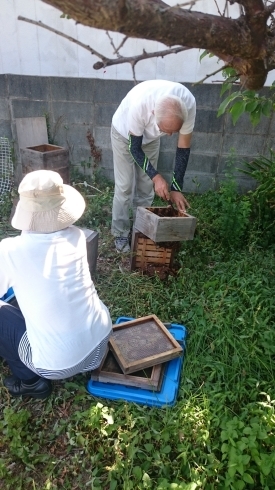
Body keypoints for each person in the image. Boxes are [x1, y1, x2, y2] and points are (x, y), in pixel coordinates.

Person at [0, 170, 112, 399]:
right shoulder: (77, 236)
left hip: (56, 365)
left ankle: (31, 383)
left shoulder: (11, 250)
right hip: (100, 345)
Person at [111, 79, 196, 252]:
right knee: (125, 186)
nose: (170, 135)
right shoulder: (140, 104)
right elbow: (134, 148)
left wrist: (176, 187)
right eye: (166, 130)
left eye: (174, 131)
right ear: (153, 114)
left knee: (146, 187)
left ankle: (141, 228)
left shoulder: (188, 104)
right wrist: (156, 176)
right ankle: (120, 232)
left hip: (150, 140)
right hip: (124, 135)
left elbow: (183, 148)